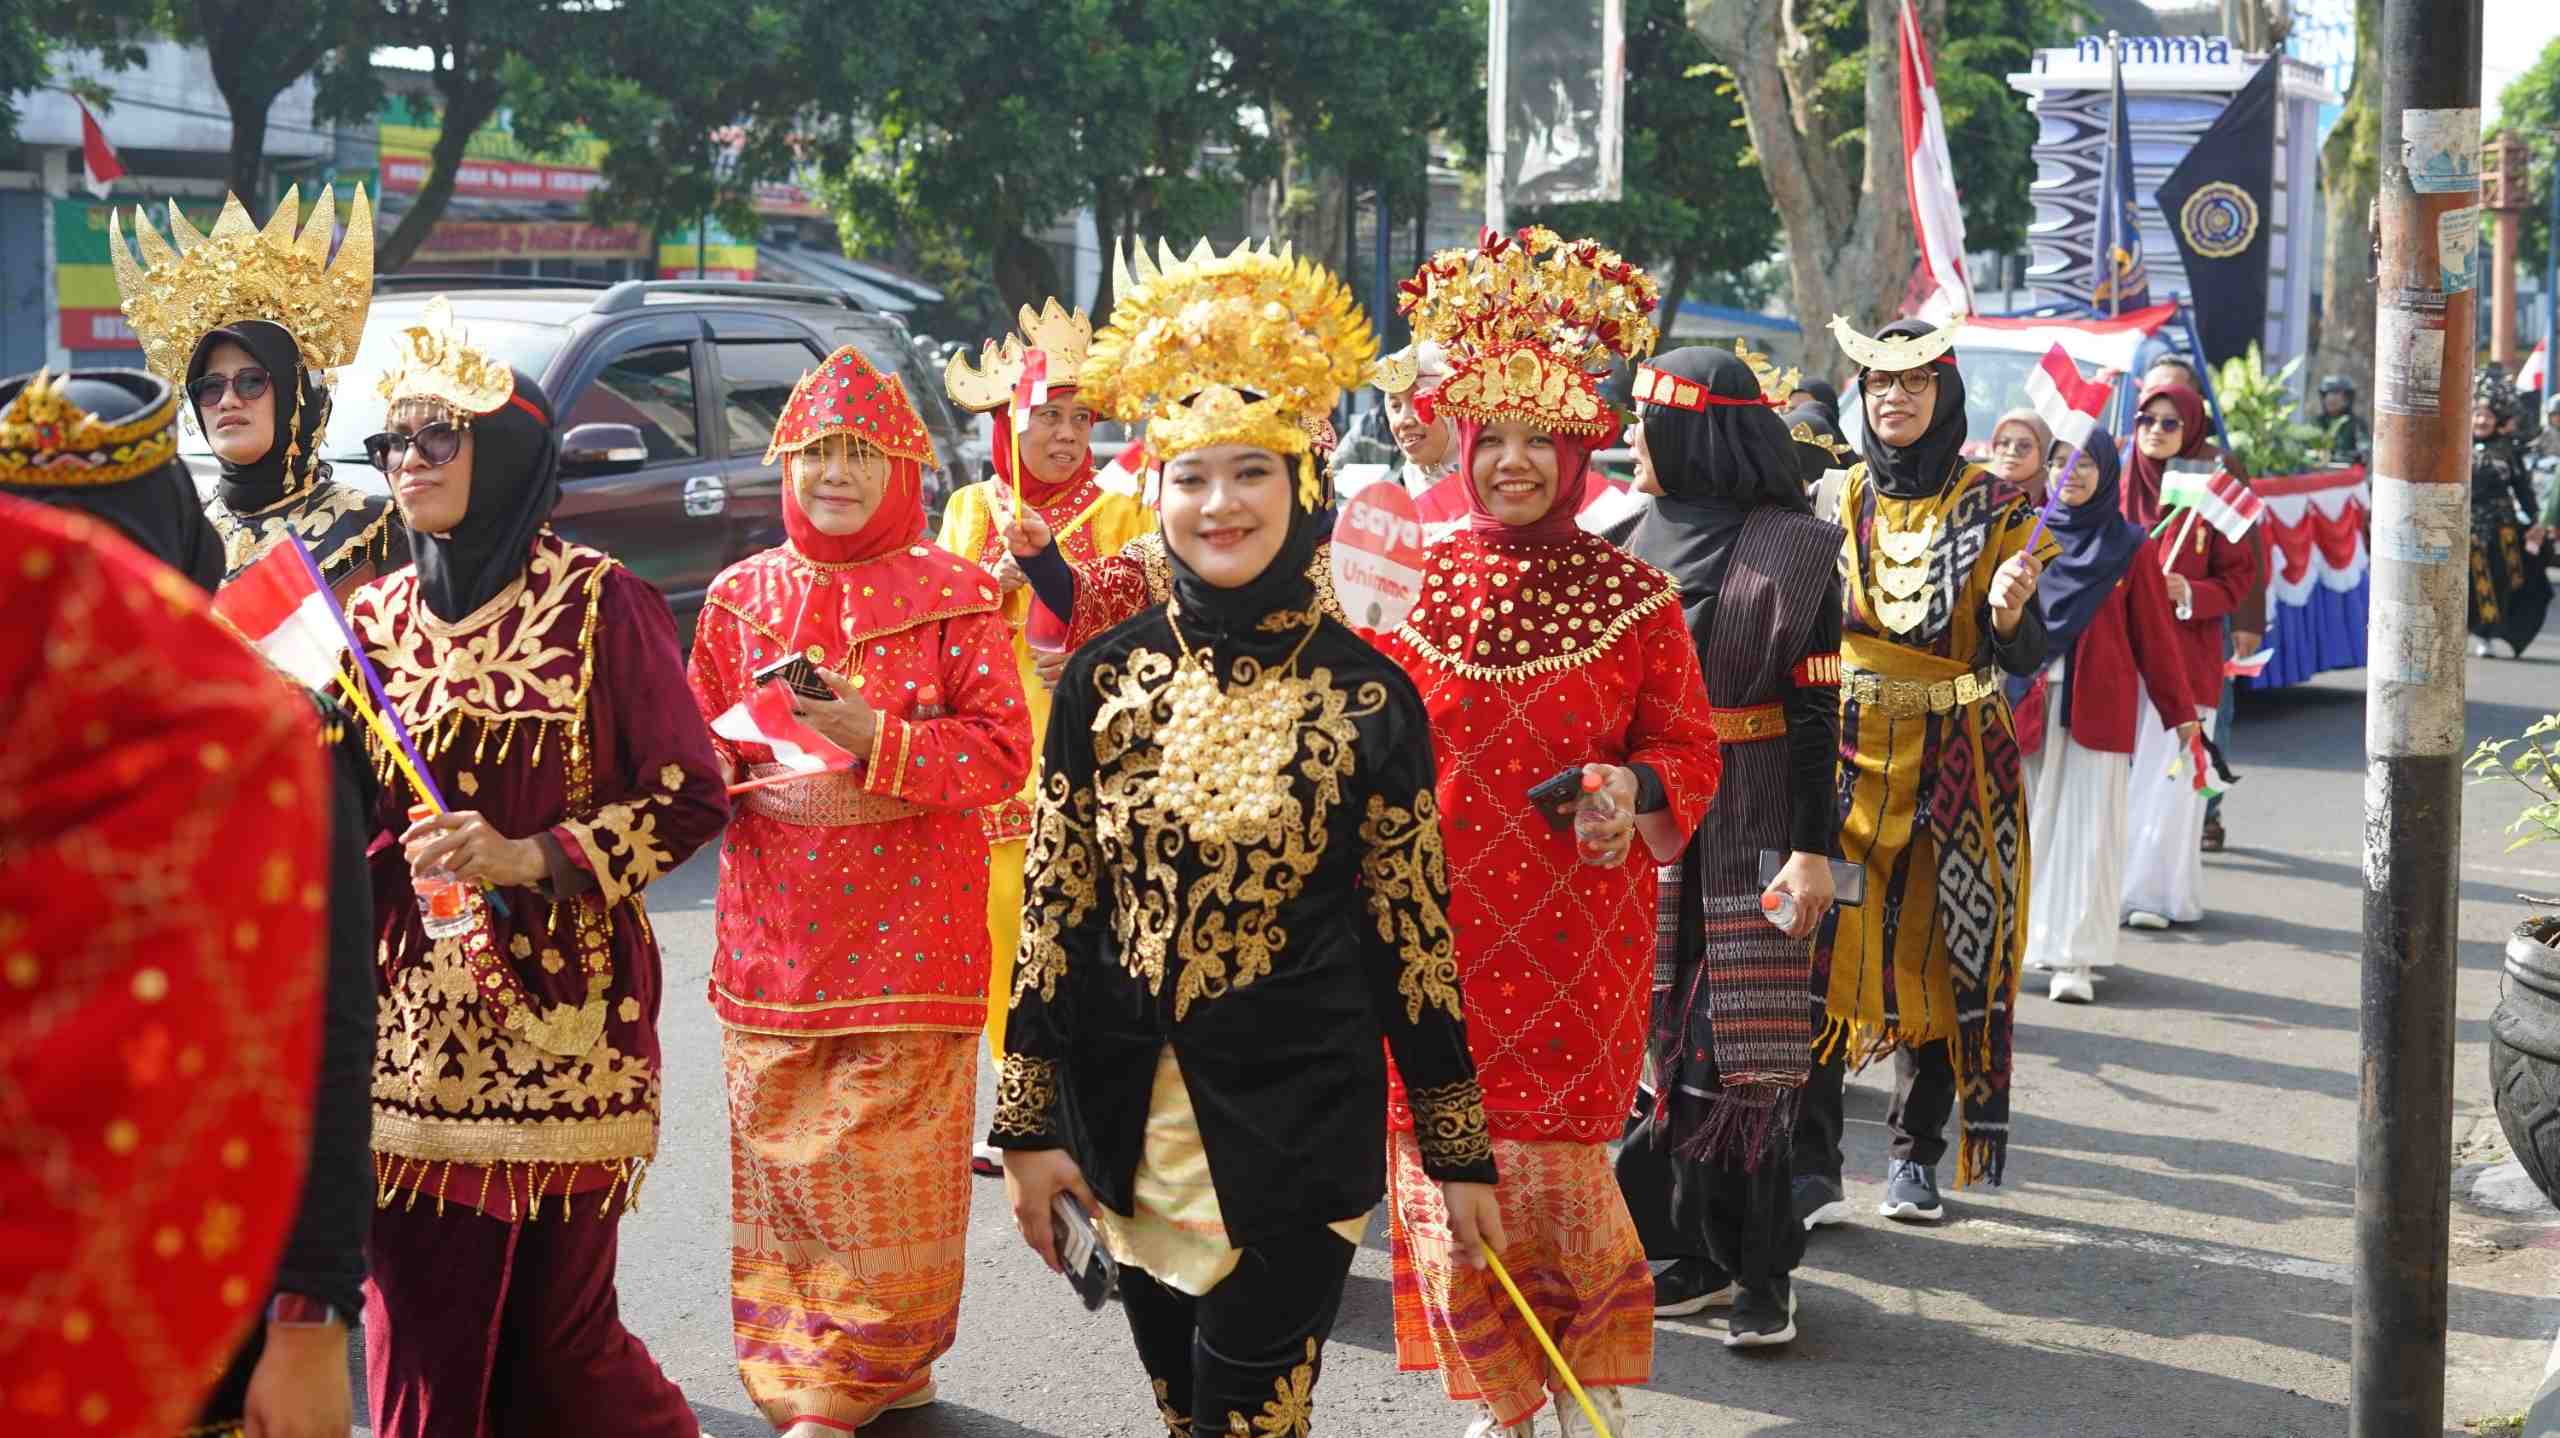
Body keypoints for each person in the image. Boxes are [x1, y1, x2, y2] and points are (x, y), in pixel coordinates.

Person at [989, 236, 1504, 1437]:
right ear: (1157, 489)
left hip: (1295, 1131)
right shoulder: (1102, 682)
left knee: (1243, 1420)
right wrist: (1024, 1126)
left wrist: (1456, 1146)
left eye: (1250, 473)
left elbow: (1410, 939)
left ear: (1304, 483)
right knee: (1187, 1416)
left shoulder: (1370, 694)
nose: (1219, 504)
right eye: (1191, 475)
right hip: (1127, 1120)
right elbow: (1058, 909)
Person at [346, 297, 731, 1437]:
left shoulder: (599, 601)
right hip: (412, 1035)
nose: (407, 461)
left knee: (561, 1346)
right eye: (392, 442)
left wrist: (531, 854)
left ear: (505, 448)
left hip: (574, 1020)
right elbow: (341, 814)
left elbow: (689, 792)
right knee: (425, 1329)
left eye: (436, 436)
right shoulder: (366, 617)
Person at [1381, 227, 1723, 1436]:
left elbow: (1690, 750)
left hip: (1580, 938)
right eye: (1496, 439)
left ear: (1579, 452)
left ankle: (1568, 1389)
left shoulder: (1636, 599)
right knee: (1443, 1161)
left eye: (1544, 440)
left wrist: (1635, 791)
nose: (1515, 462)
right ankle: (1507, 1397)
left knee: (1556, 1172)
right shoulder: (1399, 584)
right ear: (1462, 442)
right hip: (1428, 939)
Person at [689, 343, 1033, 1434]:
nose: (834, 474)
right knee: (786, 1163)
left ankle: (846, 1382)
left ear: (902, 470)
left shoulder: (954, 593)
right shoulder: (740, 593)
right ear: (784, 464)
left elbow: (998, 754)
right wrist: (728, 758)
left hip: (909, 926)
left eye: (860, 455)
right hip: (772, 930)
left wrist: (871, 736)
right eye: (815, 453)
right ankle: (843, 1366)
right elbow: (694, 744)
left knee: (885, 1163)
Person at [0, 373, 347, 1438]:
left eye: (100, 544)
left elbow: (330, 1032)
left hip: (189, 1290)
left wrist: (310, 1319)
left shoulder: (258, 739)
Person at [1795, 317, 2051, 1231]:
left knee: (1950, 954)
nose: (1893, 398)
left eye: (1914, 384)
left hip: (1961, 760)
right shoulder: (1836, 497)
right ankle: (1811, 1165)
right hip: (1846, 754)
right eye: (1877, 385)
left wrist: (2014, 614)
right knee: (1824, 947)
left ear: (1946, 396)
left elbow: (2025, 652)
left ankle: (1916, 1157)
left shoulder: (2000, 506)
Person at [1609, 347, 1843, 1349]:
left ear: (1687, 430)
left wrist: (1813, 850)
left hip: (1755, 826)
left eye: (1640, 422)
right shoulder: (1617, 540)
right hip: (1647, 831)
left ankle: (1763, 1273)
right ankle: (1694, 1257)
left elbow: (1813, 712)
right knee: (1658, 1054)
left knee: (1744, 1056)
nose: (1626, 439)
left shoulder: (1796, 548)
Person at [937, 300, 1152, 1068]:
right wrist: (985, 592)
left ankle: (1087, 1086)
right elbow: (933, 633)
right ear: (1008, 423)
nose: (1066, 436)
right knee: (1000, 919)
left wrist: (1095, 645)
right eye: (1048, 417)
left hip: (1098, 747)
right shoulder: (970, 509)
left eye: (1080, 419)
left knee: (1093, 921)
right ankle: (1015, 1085)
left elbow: (1156, 619)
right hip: (998, 755)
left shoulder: (1124, 509)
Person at [110, 184, 405, 598]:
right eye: (209, 387)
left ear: (295, 394)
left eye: (251, 381)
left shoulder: (373, 527)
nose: (228, 400)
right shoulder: (183, 535)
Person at [2019, 432, 2202, 1004]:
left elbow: (2155, 639)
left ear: (2108, 472)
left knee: (2086, 830)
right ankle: (2018, 945)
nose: (2068, 472)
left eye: (2084, 464)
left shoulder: (2129, 545)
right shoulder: (2025, 537)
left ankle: (2073, 958)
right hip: (2024, 704)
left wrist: (2182, 716)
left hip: (2095, 710)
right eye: (2057, 461)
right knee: (2021, 829)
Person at [2116, 378, 2264, 926]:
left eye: (2169, 422)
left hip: (2183, 654)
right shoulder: (2117, 477)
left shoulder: (2213, 480)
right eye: (2146, 421)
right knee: (2118, 775)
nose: (2155, 432)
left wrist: (2189, 593)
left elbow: (2241, 571)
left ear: (2192, 426)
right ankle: (2111, 886)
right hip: (2118, 653)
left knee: (2170, 776)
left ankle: (2155, 895)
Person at [2469, 371, 2552, 659]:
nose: (2481, 421)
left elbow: (2524, 490)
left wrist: (2537, 521)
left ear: (2498, 420)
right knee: (2467, 581)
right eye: (2477, 415)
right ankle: (2466, 630)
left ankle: (2489, 634)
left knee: (2502, 579)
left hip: (2501, 528)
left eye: (2487, 417)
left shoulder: (2507, 452)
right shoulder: (2455, 448)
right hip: (2463, 527)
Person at [1374, 338, 1462, 501]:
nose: (1403, 421)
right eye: (1395, 406)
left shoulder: (1494, 492)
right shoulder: (1389, 505)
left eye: (1417, 401)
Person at [1985, 408, 2054, 508]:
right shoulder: (1970, 492)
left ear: (2044, 453)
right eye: (2004, 443)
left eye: (2024, 445)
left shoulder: (2056, 509)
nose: (2011, 452)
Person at [2318, 374, 2369, 467]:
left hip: (2347, 474)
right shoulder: (2316, 423)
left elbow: (2364, 449)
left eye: (2336, 393)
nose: (2331, 398)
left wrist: (2356, 454)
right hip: (2318, 473)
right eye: (2327, 394)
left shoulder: (2356, 424)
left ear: (2347, 398)